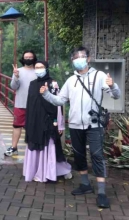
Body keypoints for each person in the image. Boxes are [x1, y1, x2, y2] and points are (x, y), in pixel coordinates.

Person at [40, 46, 121, 208]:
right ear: (72, 61)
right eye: (76, 57)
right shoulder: (71, 81)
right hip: (76, 124)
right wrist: (46, 94)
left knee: (97, 155)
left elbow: (116, 95)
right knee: (79, 155)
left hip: (94, 123)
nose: (79, 60)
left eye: (82, 56)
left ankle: (102, 193)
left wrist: (112, 86)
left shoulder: (99, 76)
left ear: (88, 58)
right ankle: (85, 184)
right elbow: (60, 100)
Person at [23, 60, 72, 182]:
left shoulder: (53, 83)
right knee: (34, 144)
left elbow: (59, 104)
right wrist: (27, 122)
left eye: (41, 67)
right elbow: (29, 104)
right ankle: (33, 171)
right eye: (37, 67)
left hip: (48, 120)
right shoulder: (32, 84)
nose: (38, 69)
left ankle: (49, 172)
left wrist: (60, 124)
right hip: (34, 121)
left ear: (47, 68)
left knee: (48, 145)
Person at [4, 50, 37, 156]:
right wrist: (16, 76)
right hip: (20, 104)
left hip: (35, 105)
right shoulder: (18, 71)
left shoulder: (38, 71)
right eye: (26, 57)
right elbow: (13, 86)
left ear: (34, 58)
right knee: (17, 126)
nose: (28, 59)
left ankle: (32, 148)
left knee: (33, 127)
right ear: (23, 59)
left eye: (30, 57)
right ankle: (14, 147)